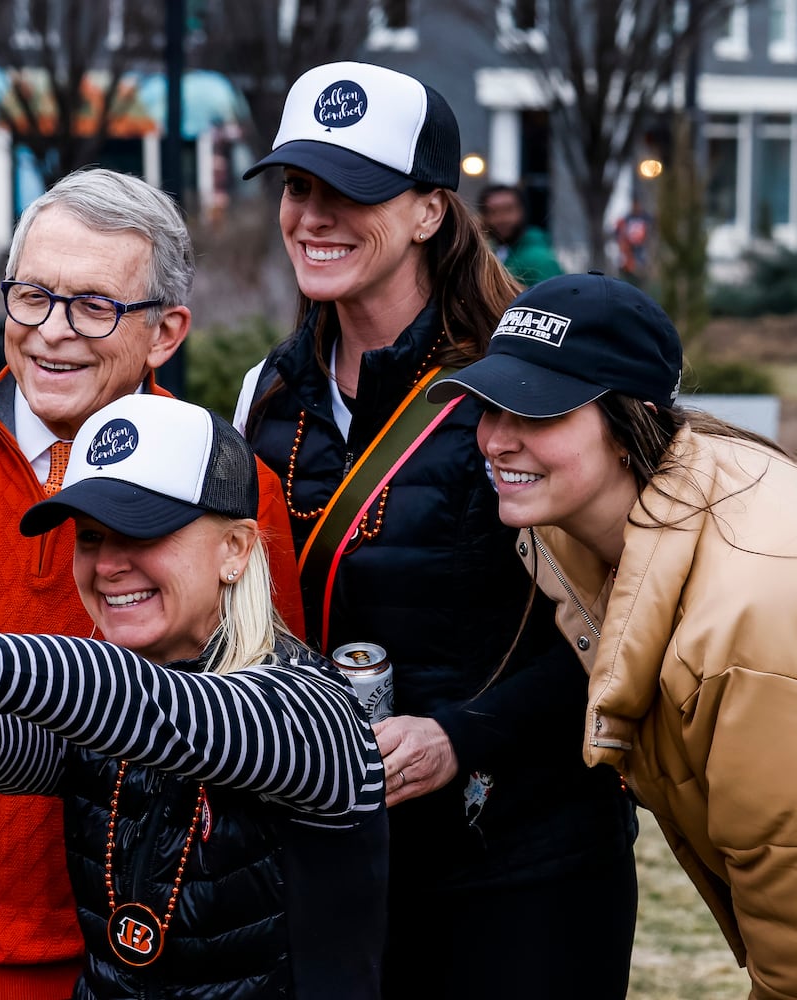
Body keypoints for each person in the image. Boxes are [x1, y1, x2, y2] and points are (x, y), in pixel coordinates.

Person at [0, 167, 306, 999]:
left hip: (125, 963)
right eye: (32, 295)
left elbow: (265, 738)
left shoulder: (240, 494)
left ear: (166, 332)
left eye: (96, 306)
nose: (52, 332)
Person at [237, 62, 637, 997]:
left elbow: (629, 615)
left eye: (353, 191)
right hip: (336, 858)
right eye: (299, 188)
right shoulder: (267, 393)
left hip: (522, 867)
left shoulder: (533, 389)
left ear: (429, 211)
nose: (314, 216)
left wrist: (465, 734)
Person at [0, 394, 387, 999]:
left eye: (144, 531)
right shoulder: (116, 703)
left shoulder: (315, 709)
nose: (107, 565)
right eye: (93, 536)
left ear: (234, 548)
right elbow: (31, 755)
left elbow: (159, 710)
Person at [431, 272, 797, 1000]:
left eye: (539, 415)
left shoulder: (753, 624)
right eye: (490, 405)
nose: (496, 440)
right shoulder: (628, 512)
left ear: (629, 419)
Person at [479, 183, 562, 286]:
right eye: (492, 212)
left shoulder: (539, 260)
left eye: (508, 210)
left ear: (523, 211)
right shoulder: (492, 255)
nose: (501, 218)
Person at [613, 196, 653, 285]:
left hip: (641, 255)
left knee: (640, 280)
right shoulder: (626, 219)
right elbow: (618, 234)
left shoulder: (646, 218)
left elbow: (652, 233)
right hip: (628, 257)